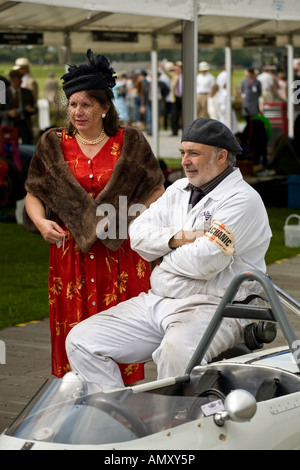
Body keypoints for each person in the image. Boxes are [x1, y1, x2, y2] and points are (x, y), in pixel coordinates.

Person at [65, 118, 272, 391]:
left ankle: (174, 425)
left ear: (222, 156)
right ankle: (117, 415)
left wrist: (162, 257)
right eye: (183, 153)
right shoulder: (178, 189)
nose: (185, 161)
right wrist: (181, 238)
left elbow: (205, 262)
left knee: (175, 353)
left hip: (216, 306)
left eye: (194, 153)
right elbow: (137, 235)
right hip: (160, 300)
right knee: (81, 340)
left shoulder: (242, 199)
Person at [23, 49, 164, 383]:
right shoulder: (52, 143)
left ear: (105, 106)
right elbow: (33, 193)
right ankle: (77, 395)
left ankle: (124, 399)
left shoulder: (129, 142)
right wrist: (42, 223)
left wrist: (136, 219)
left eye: (86, 104)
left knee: (121, 327)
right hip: (71, 255)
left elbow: (156, 190)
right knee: (74, 324)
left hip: (120, 254)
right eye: (72, 104)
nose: (77, 112)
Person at [0, 69, 37, 144]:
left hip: (24, 124)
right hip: (9, 125)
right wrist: (8, 113)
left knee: (27, 145)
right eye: (18, 80)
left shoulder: (27, 93)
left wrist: (31, 110)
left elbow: (35, 109)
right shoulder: (3, 94)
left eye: (21, 79)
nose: (20, 82)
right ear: (11, 80)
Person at [13, 57, 39, 141]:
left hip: (28, 116)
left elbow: (33, 100)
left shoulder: (31, 81)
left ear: (24, 69)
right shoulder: (23, 80)